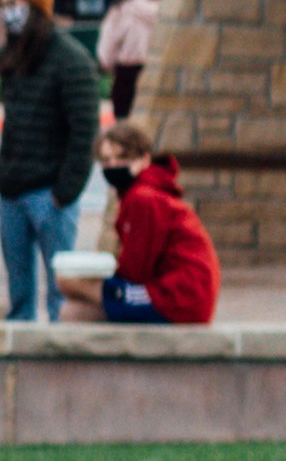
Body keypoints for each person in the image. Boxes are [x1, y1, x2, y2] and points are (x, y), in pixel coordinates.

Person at [0, 0, 107, 324]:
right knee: (19, 296)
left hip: (49, 197)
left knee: (60, 294)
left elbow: (85, 131)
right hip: (12, 191)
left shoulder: (71, 61)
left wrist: (64, 192)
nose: (7, 12)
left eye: (15, 3)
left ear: (35, 7)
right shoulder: (11, 57)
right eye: (3, 3)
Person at [85, 118, 218, 325]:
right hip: (184, 294)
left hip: (178, 297)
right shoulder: (145, 192)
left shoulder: (144, 198)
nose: (113, 166)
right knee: (79, 304)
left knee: (74, 288)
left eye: (122, 158)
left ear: (144, 159)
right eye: (106, 160)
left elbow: (135, 270)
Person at [96, 0, 158, 119]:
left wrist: (107, 65)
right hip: (154, 72)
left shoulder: (120, 11)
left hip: (126, 75)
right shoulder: (160, 10)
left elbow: (107, 47)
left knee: (123, 127)